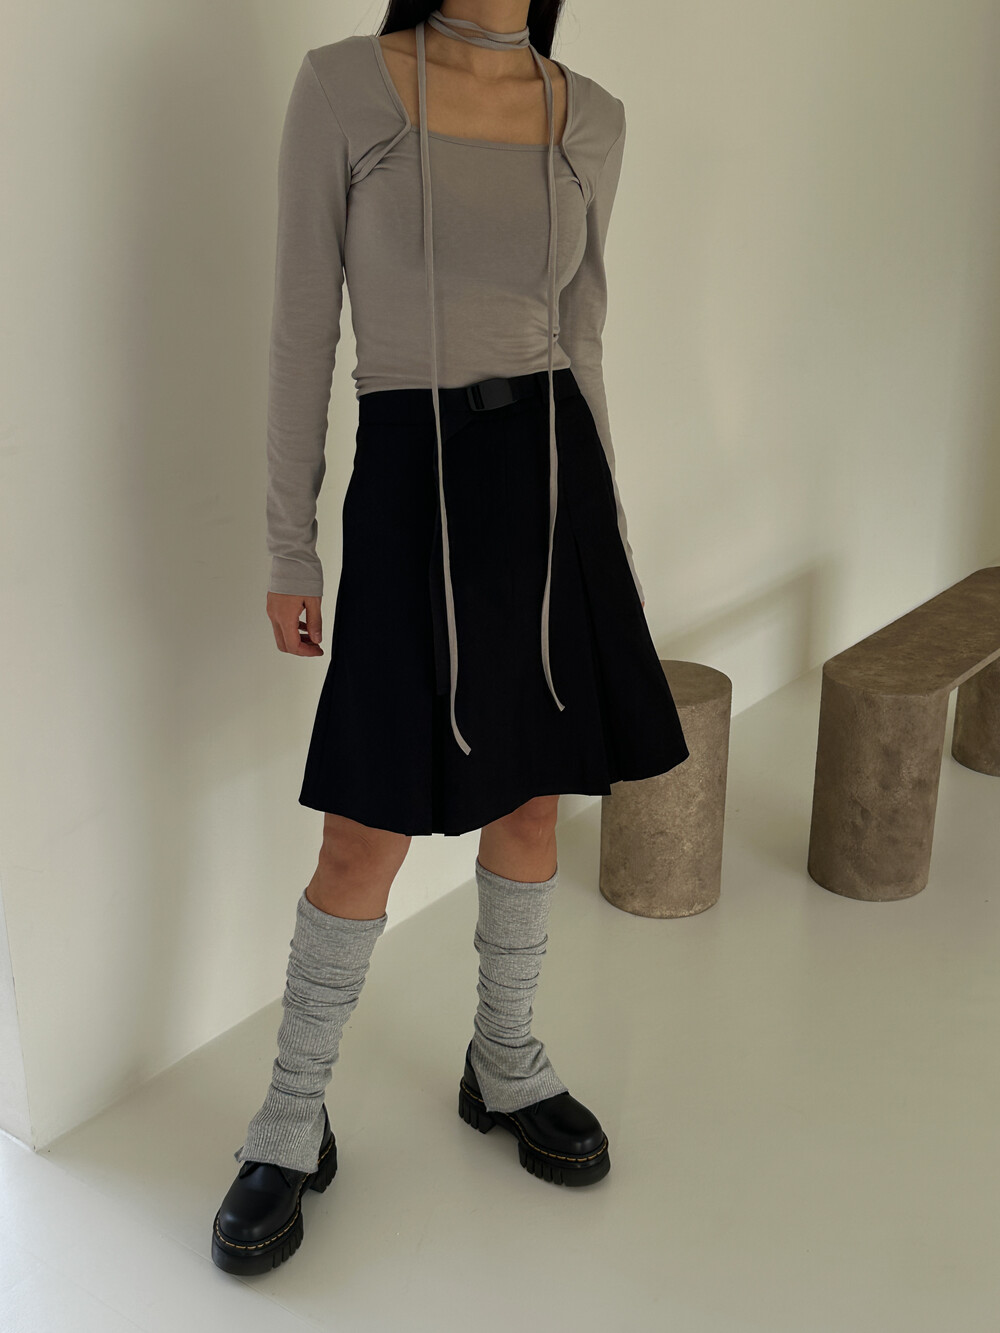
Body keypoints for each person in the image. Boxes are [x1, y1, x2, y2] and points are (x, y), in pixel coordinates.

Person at [212, 0, 689, 1275]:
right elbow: (302, 327)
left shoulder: (590, 116)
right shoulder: (344, 88)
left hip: (551, 483)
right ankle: (290, 1115)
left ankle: (505, 1060)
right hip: (407, 476)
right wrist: (288, 545)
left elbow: (582, 334)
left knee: (531, 799)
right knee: (362, 825)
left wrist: (609, 536)